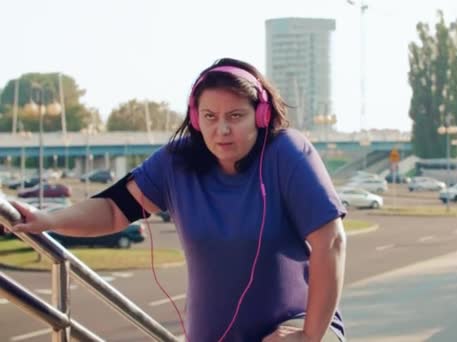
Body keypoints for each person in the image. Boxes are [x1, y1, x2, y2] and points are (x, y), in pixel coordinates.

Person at [9, 57, 347, 342]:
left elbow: (329, 242)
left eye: (236, 116)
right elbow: (114, 210)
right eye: (210, 117)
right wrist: (48, 220)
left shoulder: (286, 152)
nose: (222, 130)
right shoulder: (176, 161)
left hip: (298, 328)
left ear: (261, 116)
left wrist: (309, 335)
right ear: (196, 117)